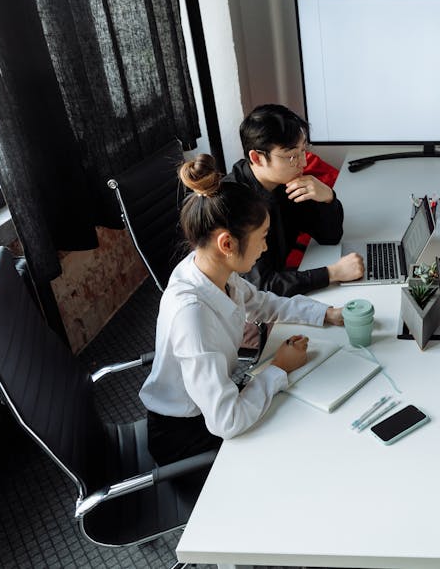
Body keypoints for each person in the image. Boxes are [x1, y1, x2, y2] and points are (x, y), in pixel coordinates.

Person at [140, 154, 345, 465]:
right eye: (262, 238)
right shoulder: (191, 315)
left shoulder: (209, 269)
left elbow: (261, 303)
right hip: (185, 435)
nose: (265, 248)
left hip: (215, 397)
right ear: (227, 244)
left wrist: (324, 313)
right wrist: (279, 367)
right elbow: (227, 421)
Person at [226, 104, 363, 296]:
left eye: (303, 151)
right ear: (256, 158)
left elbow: (330, 236)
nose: (304, 162)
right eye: (292, 156)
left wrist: (327, 197)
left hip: (282, 290)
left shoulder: (286, 181)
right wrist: (332, 273)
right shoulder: (235, 205)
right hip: (247, 308)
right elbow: (262, 285)